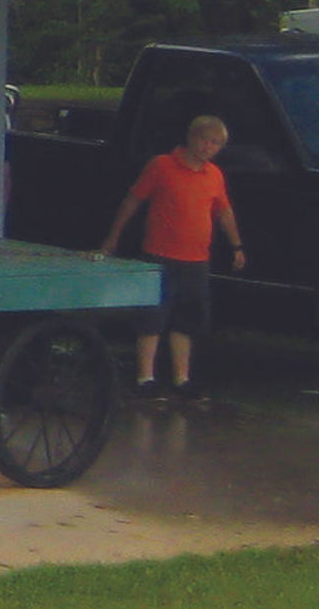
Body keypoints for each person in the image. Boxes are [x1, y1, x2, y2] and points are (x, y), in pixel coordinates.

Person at [103, 111, 246, 403]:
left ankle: (182, 378)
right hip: (160, 256)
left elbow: (223, 210)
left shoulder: (214, 175)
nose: (209, 147)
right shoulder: (162, 166)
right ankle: (146, 377)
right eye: (205, 140)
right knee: (152, 317)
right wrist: (113, 236)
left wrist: (237, 245)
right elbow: (134, 200)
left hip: (196, 260)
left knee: (187, 319)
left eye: (216, 143)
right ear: (191, 138)